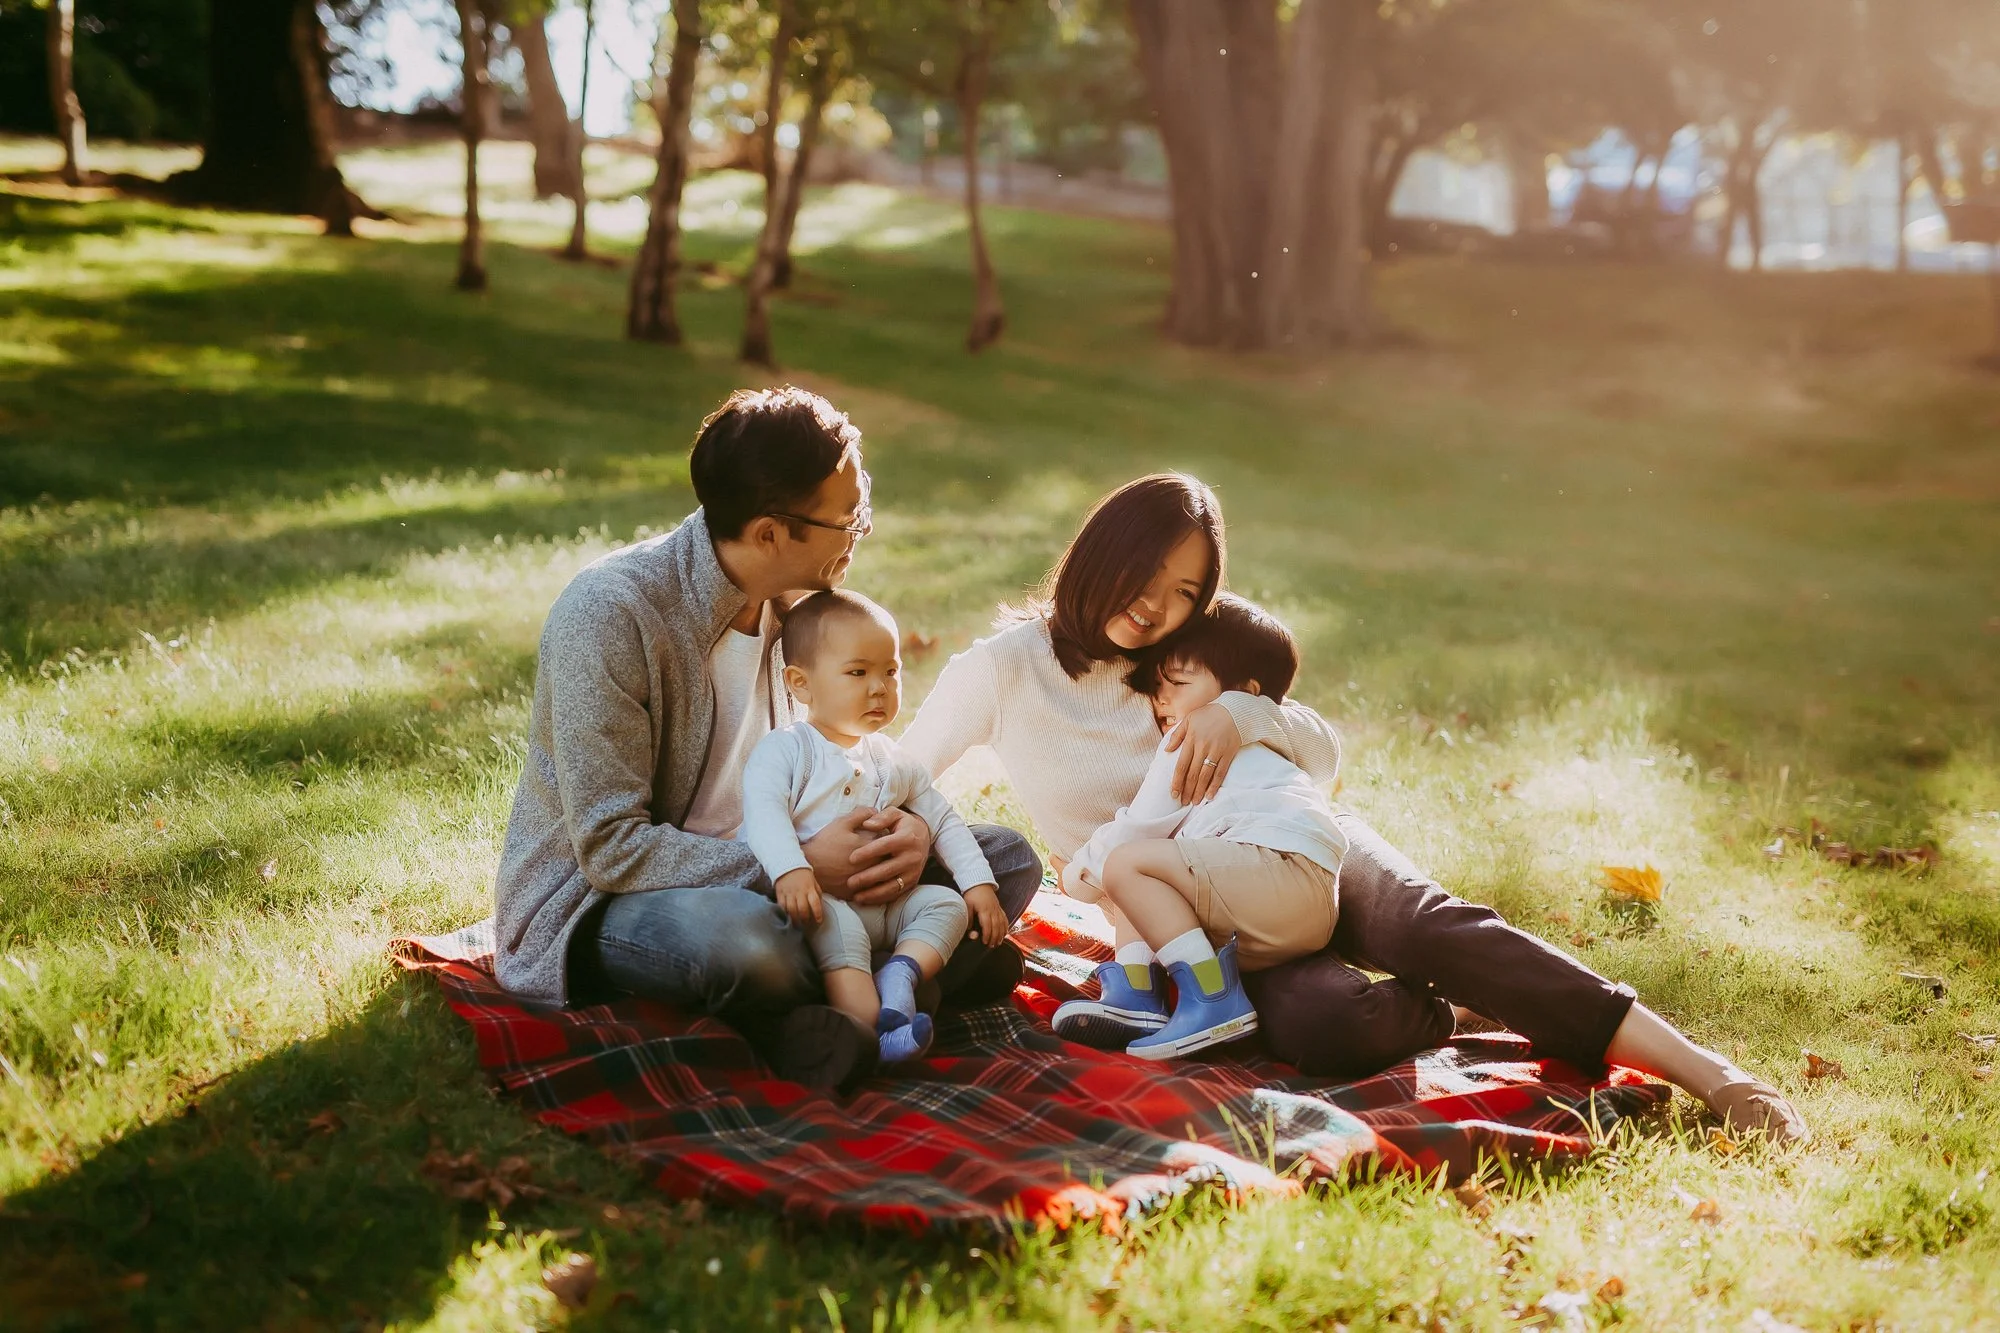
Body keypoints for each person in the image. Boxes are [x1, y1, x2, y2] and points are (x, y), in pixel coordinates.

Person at [900, 473, 1808, 1143]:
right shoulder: (1003, 670)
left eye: (1187, 589)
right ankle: (1464, 1013)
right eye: (1150, 575)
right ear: (1104, 550)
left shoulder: (1191, 655)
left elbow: (1324, 754)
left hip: (1292, 843)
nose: (1162, 606)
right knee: (1326, 1025)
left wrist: (1241, 709)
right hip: (1195, 920)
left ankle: (1713, 1075)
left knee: (1429, 929)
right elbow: (900, 769)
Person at [490, 386, 1041, 1093]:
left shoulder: (800, 606)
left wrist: (901, 829)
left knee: (1005, 861)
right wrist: (797, 866)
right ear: (770, 533)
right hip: (634, 896)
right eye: (848, 519)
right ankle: (897, 984)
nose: (860, 532)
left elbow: (847, 757)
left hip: (801, 870)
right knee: (750, 944)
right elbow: (610, 849)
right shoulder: (610, 615)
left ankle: (856, 1001)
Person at [1054, 594, 1345, 1060]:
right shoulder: (1266, 746)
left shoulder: (1192, 738)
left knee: (1127, 862)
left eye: (1180, 683)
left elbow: (1136, 829)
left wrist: (1074, 875)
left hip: (1281, 871)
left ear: (1241, 693)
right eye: (1157, 686)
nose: (1162, 698)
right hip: (1292, 903)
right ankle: (1136, 993)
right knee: (1144, 875)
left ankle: (1213, 999)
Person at [741, 590, 1010, 1065]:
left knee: (947, 905)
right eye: (858, 672)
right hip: (824, 903)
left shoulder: (891, 758)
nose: (879, 687)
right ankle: (874, 1037)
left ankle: (901, 975)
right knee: (840, 934)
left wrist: (978, 885)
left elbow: (942, 819)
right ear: (800, 685)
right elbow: (764, 813)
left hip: (891, 905)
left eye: (891, 671)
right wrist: (791, 870)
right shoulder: (787, 750)